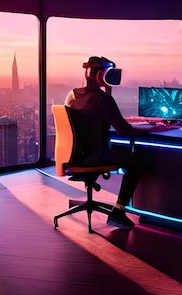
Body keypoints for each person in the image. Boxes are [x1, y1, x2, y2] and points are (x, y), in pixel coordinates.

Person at [65, 56, 161, 230]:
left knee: (126, 154)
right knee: (140, 159)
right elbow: (124, 130)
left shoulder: (72, 95)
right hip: (94, 156)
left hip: (76, 155)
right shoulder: (103, 99)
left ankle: (121, 210)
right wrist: (152, 129)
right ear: (102, 75)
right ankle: (118, 212)